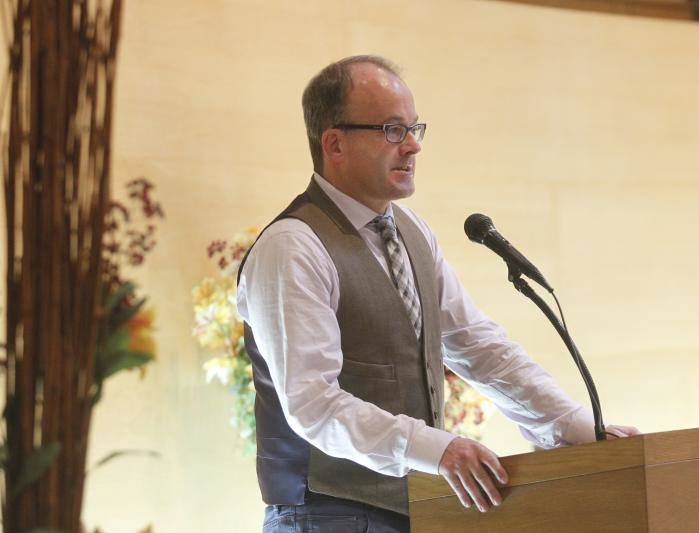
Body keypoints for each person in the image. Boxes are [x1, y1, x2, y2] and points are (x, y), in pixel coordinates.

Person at [236, 55, 639, 533]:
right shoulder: (293, 246)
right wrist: (439, 449)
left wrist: (574, 429)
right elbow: (313, 404)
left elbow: (478, 347)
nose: (412, 147)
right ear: (334, 144)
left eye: (413, 128)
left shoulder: (412, 233)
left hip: (419, 509)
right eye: (390, 129)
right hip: (322, 515)